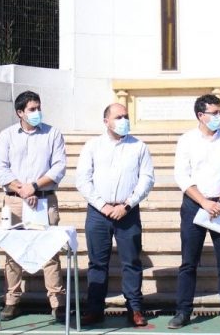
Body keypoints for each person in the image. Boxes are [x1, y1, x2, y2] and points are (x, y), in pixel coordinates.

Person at [170, 94, 220, 330]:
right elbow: (182, 175)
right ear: (201, 115)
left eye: (219, 111)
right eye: (213, 113)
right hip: (195, 205)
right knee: (188, 263)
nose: (218, 116)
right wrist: (204, 202)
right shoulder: (187, 140)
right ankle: (183, 311)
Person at [76, 103, 155, 327]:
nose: (124, 120)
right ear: (106, 121)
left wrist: (127, 205)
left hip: (127, 212)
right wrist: (103, 206)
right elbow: (83, 179)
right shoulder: (92, 146)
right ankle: (94, 309)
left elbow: (147, 179)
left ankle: (135, 309)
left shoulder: (139, 146)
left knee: (131, 262)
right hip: (99, 213)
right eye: (119, 117)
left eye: (126, 116)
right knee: (97, 263)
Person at [0, 90, 67, 321]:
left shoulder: (52, 133)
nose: (37, 112)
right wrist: (22, 190)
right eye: (32, 109)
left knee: (50, 251)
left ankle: (57, 302)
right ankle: (12, 300)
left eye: (38, 108)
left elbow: (58, 167)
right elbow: (1, 168)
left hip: (44, 198)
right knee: (13, 251)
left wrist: (33, 186)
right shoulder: (6, 135)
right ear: (20, 113)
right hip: (14, 200)